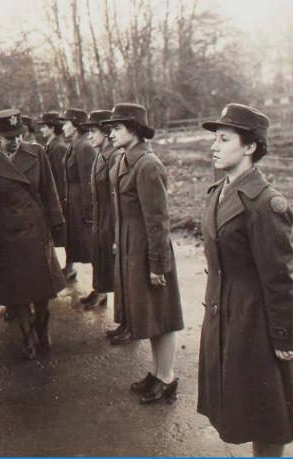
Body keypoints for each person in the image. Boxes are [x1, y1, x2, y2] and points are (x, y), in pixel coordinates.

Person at [199, 103, 293, 457]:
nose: (214, 145)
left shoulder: (267, 204)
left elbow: (280, 277)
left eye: (224, 139)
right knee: (244, 406)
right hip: (225, 316)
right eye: (214, 138)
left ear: (250, 147)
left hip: (255, 324)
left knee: (268, 414)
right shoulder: (218, 191)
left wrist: (284, 335)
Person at [102, 103, 184, 402]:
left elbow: (158, 220)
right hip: (131, 249)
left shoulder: (148, 165)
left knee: (161, 315)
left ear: (133, 129)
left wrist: (158, 265)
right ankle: (159, 372)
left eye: (116, 128)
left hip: (149, 252)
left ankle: (167, 377)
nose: (110, 133)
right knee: (150, 315)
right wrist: (118, 242)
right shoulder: (126, 159)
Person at [0, 109, 66, 359]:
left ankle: (42, 326)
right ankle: (26, 335)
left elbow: (49, 190)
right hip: (6, 231)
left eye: (17, 135)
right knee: (18, 290)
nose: (14, 140)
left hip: (36, 228)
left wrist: (57, 221)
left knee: (42, 286)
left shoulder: (37, 153)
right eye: (8, 136)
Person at [79, 110, 121, 311]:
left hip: (111, 218)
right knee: (102, 262)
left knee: (117, 270)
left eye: (93, 131)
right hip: (101, 218)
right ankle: (101, 293)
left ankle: (126, 320)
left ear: (105, 132)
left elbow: (116, 198)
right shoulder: (100, 155)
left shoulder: (114, 156)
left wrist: (115, 232)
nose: (89, 136)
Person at [59, 108, 96, 282]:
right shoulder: (74, 145)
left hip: (82, 205)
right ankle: (98, 288)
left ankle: (100, 289)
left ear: (76, 125)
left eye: (66, 123)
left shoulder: (84, 147)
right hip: (73, 202)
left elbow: (88, 182)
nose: (63, 126)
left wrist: (88, 212)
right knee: (82, 246)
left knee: (91, 247)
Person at [38, 112, 68, 248]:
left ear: (52, 128)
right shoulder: (50, 146)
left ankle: (69, 265)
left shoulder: (58, 147)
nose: (41, 129)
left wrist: (60, 200)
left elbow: (61, 177)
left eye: (44, 126)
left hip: (59, 197)